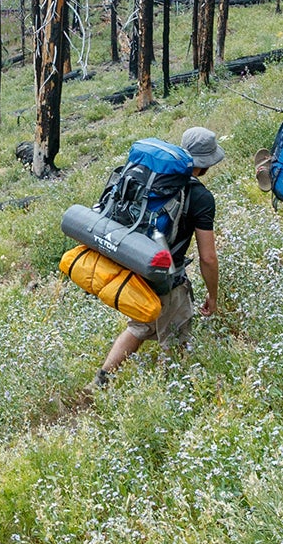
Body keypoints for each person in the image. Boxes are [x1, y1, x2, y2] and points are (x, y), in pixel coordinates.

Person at [95, 126, 224, 385]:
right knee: (176, 332)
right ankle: (173, 390)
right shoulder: (200, 197)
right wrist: (213, 294)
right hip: (165, 273)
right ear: (207, 165)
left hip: (131, 258)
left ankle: (101, 381)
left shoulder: (152, 178)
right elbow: (208, 257)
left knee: (141, 325)